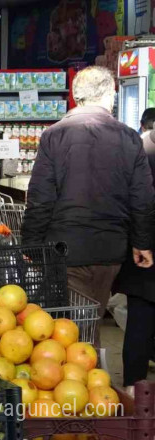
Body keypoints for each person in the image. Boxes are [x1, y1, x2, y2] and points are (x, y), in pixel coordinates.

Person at [22, 67, 155, 349]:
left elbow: (41, 198)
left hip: (65, 249)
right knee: (88, 320)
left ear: (75, 96)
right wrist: (142, 243)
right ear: (111, 96)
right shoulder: (130, 137)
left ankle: (87, 382)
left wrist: (31, 244)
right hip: (111, 250)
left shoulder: (54, 135)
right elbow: (142, 198)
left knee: (72, 330)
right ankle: (90, 378)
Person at [116, 107, 155, 389]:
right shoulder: (139, 147)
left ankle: (133, 387)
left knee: (140, 319)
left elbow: (131, 200)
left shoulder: (137, 146)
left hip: (142, 247)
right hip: (143, 246)